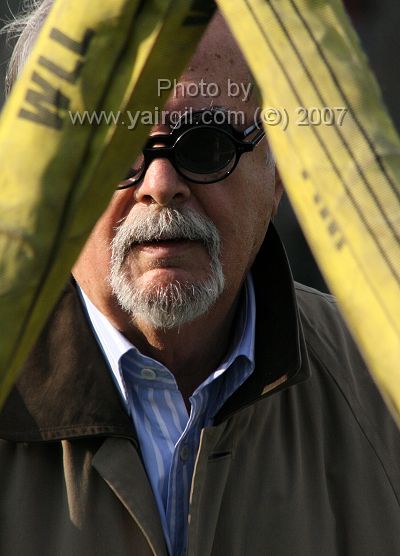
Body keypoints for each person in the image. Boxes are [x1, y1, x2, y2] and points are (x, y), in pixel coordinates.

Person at [1, 4, 400, 556]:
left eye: (208, 144)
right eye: (117, 145)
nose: (161, 184)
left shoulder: (380, 394)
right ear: (49, 181)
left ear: (279, 170)